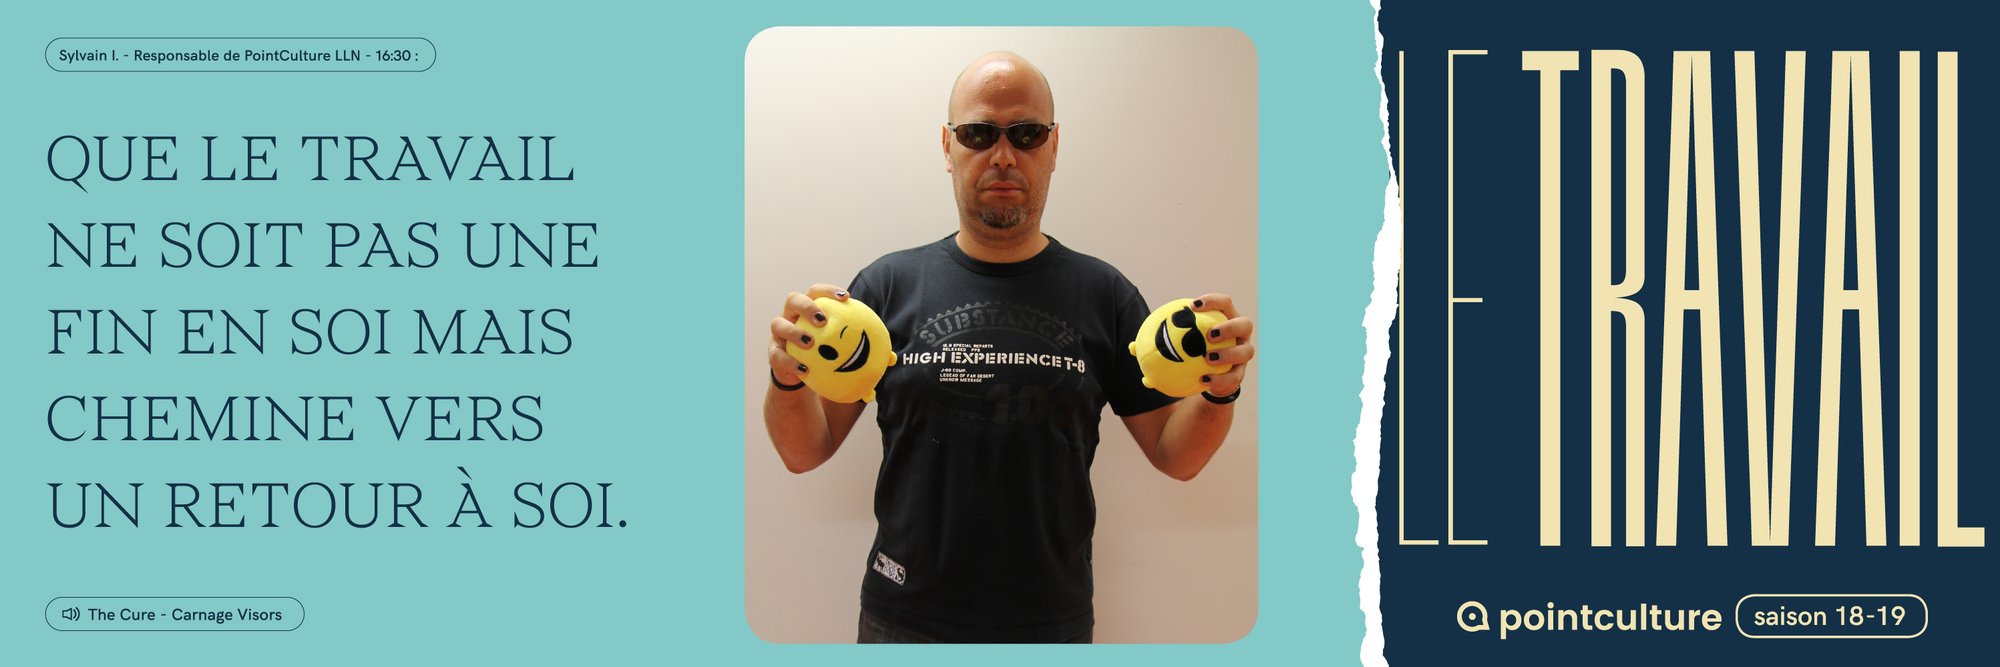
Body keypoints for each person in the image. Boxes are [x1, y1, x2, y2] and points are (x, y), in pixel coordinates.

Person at [760, 51, 1256, 644]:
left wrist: (1220, 389)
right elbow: (803, 452)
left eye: (1026, 133)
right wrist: (787, 377)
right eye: (978, 133)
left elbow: (1178, 457)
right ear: (947, 146)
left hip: (1047, 627)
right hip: (902, 620)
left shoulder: (1105, 295)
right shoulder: (886, 288)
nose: (1002, 155)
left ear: (1053, 146)